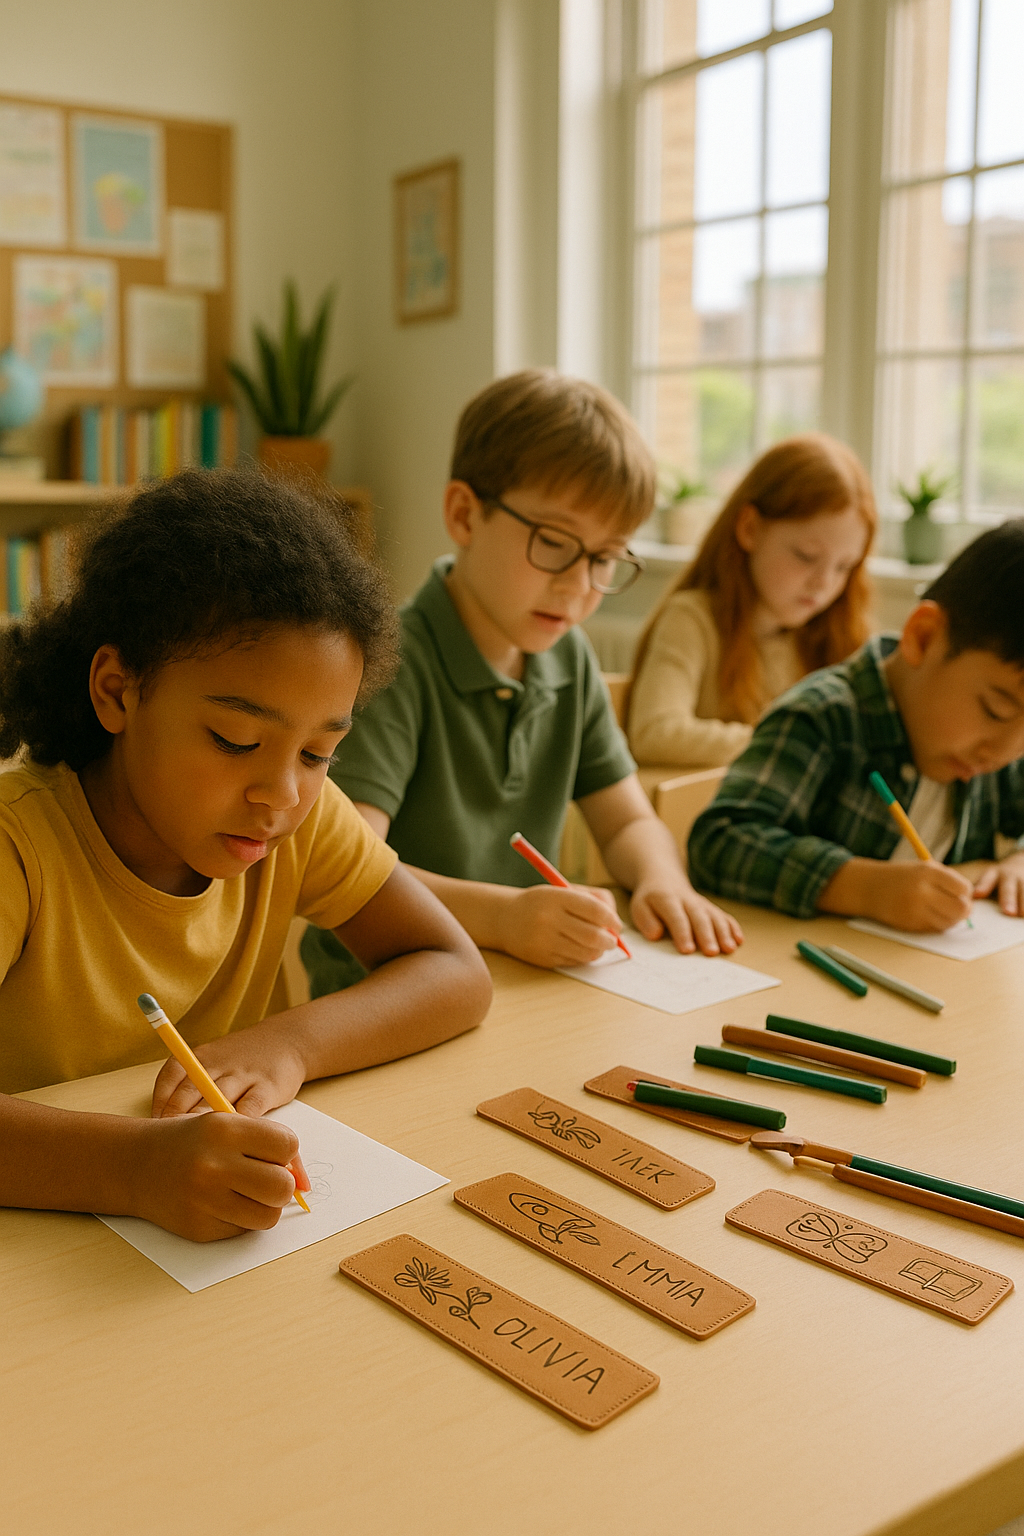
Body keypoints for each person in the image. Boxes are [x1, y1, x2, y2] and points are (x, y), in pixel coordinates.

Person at [0, 470, 491, 1241]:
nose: (282, 794)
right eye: (235, 741)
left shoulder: (294, 819)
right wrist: (134, 1169)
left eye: (321, 751)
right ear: (118, 691)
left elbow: (454, 971)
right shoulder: (18, 847)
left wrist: (289, 1043)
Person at [302, 369, 742, 997]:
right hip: (386, 994)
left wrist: (662, 879)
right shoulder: (390, 660)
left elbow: (624, 824)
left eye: (605, 557)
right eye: (554, 543)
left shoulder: (571, 659)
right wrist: (504, 918)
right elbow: (349, 870)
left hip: (521, 985)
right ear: (464, 514)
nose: (579, 584)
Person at [687, 519, 1024, 930]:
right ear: (922, 637)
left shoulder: (999, 749)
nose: (1006, 751)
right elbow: (720, 840)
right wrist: (862, 888)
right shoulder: (821, 718)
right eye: (996, 709)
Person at [627, 434, 876, 768]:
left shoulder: (835, 635)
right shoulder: (692, 619)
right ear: (750, 529)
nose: (824, 583)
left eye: (845, 567)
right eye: (806, 556)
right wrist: (792, 742)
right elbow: (654, 734)